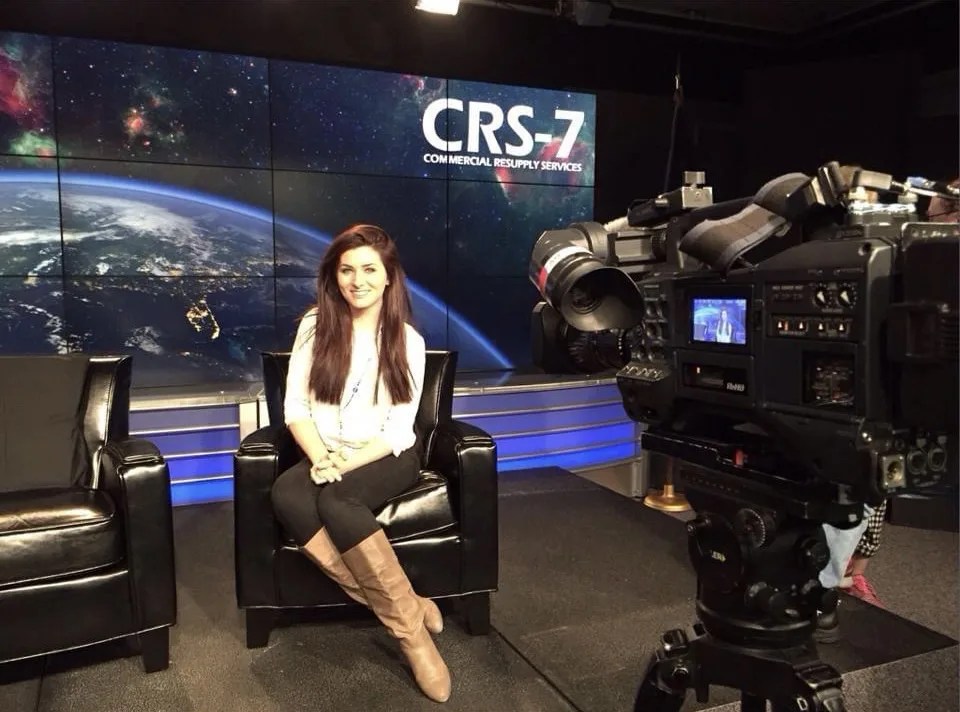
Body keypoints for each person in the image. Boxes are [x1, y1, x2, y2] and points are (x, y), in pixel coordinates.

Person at [270, 224, 450, 703]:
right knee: (288, 493)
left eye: (369, 269)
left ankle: (412, 641)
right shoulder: (315, 326)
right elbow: (296, 410)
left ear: (389, 276)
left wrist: (345, 464)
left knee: (340, 502)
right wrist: (322, 456)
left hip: (385, 454)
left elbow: (399, 429)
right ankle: (409, 608)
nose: (357, 280)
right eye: (346, 270)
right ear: (334, 276)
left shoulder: (407, 341)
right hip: (327, 452)